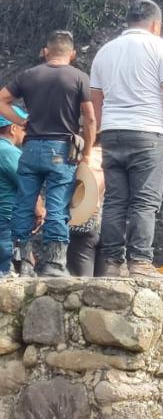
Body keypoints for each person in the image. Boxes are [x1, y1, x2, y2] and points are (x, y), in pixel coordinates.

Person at [90, 0, 163, 280]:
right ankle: (140, 263)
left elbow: (95, 98)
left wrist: (100, 132)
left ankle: (111, 264)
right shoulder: (159, 47)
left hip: (113, 133)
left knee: (115, 201)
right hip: (147, 132)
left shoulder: (105, 52)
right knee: (144, 201)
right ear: (156, 25)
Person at [0, 31, 96, 276]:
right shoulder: (78, 77)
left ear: (45, 51)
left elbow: (2, 100)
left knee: (23, 204)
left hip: (30, 148)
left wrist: (21, 122)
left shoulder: (29, 75)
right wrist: (86, 153)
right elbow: (90, 118)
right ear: (72, 54)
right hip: (61, 150)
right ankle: (53, 264)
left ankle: (21, 264)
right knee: (57, 205)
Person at [66, 142, 106, 277]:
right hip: (113, 225)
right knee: (106, 286)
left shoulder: (80, 155)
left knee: (81, 283)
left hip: (85, 220)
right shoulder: (121, 156)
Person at [0, 106, 28, 276]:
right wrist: (40, 210)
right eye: (24, 128)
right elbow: (26, 184)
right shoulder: (8, 152)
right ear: (13, 128)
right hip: (5, 220)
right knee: (5, 273)